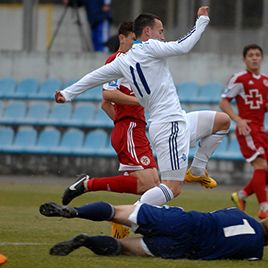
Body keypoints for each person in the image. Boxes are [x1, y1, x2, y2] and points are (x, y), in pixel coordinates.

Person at [55, 6, 230, 207]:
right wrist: (202, 21)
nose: (163, 37)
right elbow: (183, 46)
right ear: (148, 32)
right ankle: (131, 213)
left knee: (223, 121)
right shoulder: (149, 47)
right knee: (172, 188)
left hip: (175, 119)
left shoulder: (124, 61)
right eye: (161, 31)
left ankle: (197, 169)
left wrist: (68, 93)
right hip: (168, 126)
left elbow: (93, 77)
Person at [39, 201, 268, 260]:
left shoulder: (238, 213)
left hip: (183, 221)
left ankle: (76, 211)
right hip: (184, 248)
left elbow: (221, 212)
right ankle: (87, 240)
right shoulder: (255, 252)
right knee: (122, 248)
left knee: (115, 212)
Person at [219, 44, 268, 219]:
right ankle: (264, 208)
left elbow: (264, 105)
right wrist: (238, 120)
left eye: (257, 55)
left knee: (265, 170)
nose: (254, 58)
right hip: (247, 128)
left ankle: (240, 196)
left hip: (262, 130)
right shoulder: (239, 79)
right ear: (244, 59)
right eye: (250, 55)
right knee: (261, 166)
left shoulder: (265, 80)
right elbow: (224, 102)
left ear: (261, 58)